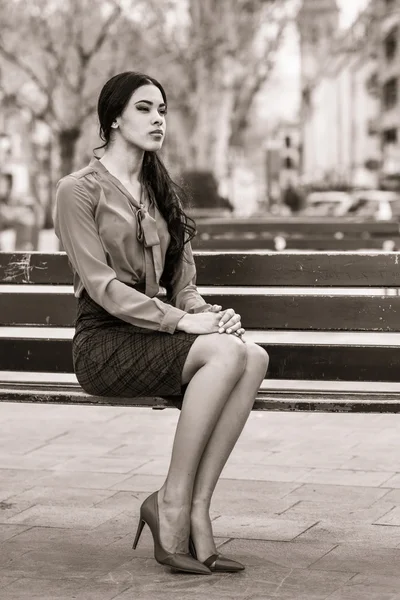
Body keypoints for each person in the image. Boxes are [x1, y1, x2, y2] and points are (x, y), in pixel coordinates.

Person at [54, 71, 269, 575]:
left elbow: (185, 286)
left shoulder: (161, 189)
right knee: (225, 351)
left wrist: (207, 315)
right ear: (114, 118)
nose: (158, 120)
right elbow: (103, 288)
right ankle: (171, 502)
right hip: (105, 342)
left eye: (163, 110)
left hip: (158, 333)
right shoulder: (77, 191)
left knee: (251, 354)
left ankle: (195, 508)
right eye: (145, 108)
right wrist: (183, 324)